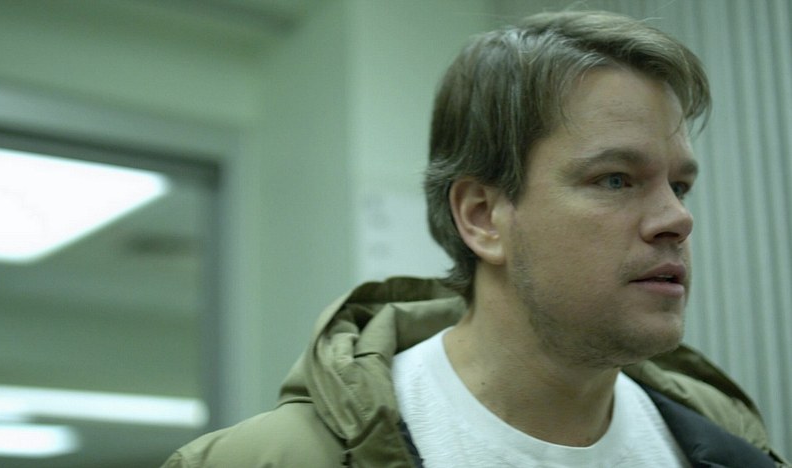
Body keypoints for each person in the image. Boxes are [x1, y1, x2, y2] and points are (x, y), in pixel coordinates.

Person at [163, 10, 789, 467]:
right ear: (483, 217)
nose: (676, 219)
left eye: (679, 186)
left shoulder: (732, 448)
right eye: (616, 179)